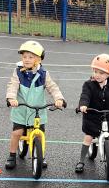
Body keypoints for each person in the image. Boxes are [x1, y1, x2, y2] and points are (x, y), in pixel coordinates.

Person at [5, 40, 65, 169]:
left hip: (38, 110)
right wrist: (11, 98)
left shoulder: (43, 74)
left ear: (38, 59)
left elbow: (52, 87)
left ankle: (40, 155)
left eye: (30, 57)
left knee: (39, 134)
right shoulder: (18, 72)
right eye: (24, 56)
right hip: (21, 109)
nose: (26, 59)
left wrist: (59, 99)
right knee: (17, 133)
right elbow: (12, 85)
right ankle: (12, 155)